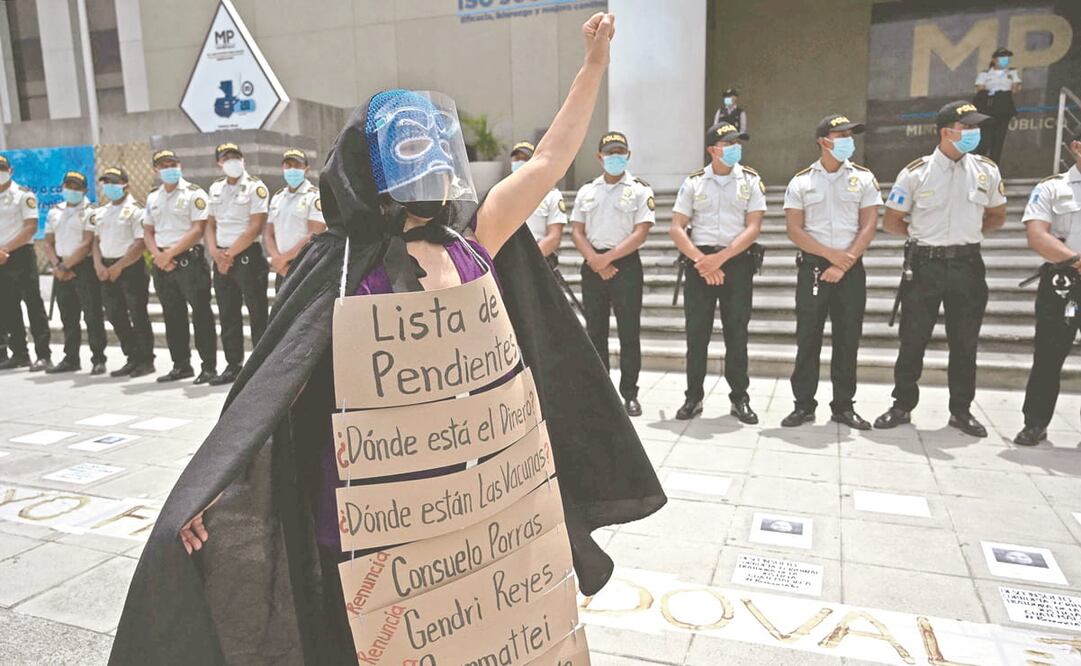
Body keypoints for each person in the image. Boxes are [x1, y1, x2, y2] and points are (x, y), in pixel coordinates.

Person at [111, 13, 665, 666]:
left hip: (465, 499)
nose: (429, 165)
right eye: (409, 149)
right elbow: (278, 386)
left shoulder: (474, 242)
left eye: (433, 147)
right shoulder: (340, 265)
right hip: (369, 513)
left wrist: (594, 66)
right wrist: (218, 484)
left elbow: (547, 160)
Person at [874, 101, 1007, 437]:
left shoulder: (986, 171)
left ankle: (961, 411)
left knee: (965, 343)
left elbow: (996, 216)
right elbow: (891, 221)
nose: (975, 133)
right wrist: (926, 238)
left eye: (976, 127)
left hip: (967, 266)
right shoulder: (915, 173)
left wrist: (964, 237)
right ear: (947, 132)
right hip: (925, 266)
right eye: (968, 127)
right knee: (913, 339)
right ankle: (902, 405)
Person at [781, 115, 880, 429]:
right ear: (823, 141)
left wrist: (844, 262)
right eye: (842, 135)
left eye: (851, 135)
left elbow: (869, 225)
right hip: (814, 269)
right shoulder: (801, 182)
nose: (848, 140)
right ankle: (803, 405)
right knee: (808, 339)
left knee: (848, 339)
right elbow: (795, 230)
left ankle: (843, 406)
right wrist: (831, 258)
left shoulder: (864, 178)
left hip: (850, 269)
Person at [670, 122, 765, 423]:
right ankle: (693, 398)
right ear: (712, 149)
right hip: (699, 263)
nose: (736, 147)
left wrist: (720, 259)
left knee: (737, 334)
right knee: (697, 335)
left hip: (736, 262)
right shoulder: (694, 183)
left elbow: (753, 227)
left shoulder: (750, 180)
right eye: (729, 143)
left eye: (738, 142)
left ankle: (740, 398)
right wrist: (703, 261)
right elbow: (676, 227)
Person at [570, 130, 655, 416]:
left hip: (625, 266)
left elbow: (641, 232)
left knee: (629, 333)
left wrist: (606, 259)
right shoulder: (587, 191)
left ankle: (629, 393)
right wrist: (595, 260)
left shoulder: (640, 189)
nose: (615, 157)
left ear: (628, 155)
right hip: (593, 264)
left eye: (620, 152)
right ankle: (601, 394)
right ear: (599, 157)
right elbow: (577, 231)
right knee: (595, 332)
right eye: (610, 153)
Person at [1014, 131, 1081, 446]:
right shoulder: (1053, 188)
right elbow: (1037, 235)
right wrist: (1075, 260)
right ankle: (1035, 423)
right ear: (1077, 147)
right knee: (1048, 356)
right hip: (1063, 281)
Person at [143, 149, 218, 384]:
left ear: (180, 166)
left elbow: (198, 229)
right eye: (163, 165)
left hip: (189, 262)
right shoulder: (153, 197)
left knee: (201, 315)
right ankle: (181, 365)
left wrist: (169, 254)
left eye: (172, 164)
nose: (169, 169)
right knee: (172, 316)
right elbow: (148, 230)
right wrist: (158, 255)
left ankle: (208, 367)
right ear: (156, 170)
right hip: (163, 264)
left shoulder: (194, 193)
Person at [206, 143, 270, 386]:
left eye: (235, 156)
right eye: (226, 158)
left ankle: (261, 367)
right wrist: (215, 253)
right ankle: (233, 365)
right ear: (219, 163)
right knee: (228, 314)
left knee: (257, 313)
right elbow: (210, 224)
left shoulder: (255, 187)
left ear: (243, 160)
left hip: (247, 258)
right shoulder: (215, 188)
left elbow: (256, 226)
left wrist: (229, 254)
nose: (232, 161)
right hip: (221, 258)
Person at [42, 171, 108, 374]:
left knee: (92, 314)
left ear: (85, 190)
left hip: (83, 267)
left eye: (76, 187)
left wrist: (66, 267)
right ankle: (71, 358)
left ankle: (98, 359)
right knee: (68, 316)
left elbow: (87, 242)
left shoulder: (91, 211)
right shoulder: (55, 211)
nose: (72, 190)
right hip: (60, 266)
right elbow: (48, 243)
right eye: (68, 186)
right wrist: (57, 266)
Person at [92, 167, 154, 378]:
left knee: (138, 315)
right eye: (106, 183)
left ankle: (146, 360)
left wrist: (119, 267)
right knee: (114, 314)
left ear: (125, 185)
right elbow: (95, 241)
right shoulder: (101, 212)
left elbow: (139, 243)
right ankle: (132, 356)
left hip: (130, 268)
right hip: (107, 268)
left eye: (114, 182)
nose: (109, 187)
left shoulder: (136, 210)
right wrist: (99, 265)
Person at [0, 155, 52, 371]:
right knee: (7, 306)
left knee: (33, 304)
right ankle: (20, 353)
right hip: (0, 258)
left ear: (10, 171)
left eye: (2, 168)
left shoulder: (23, 195)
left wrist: (5, 249)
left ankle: (44, 355)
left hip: (20, 255)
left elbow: (30, 227)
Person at [265, 148, 325, 291]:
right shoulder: (278, 197)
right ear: (283, 168)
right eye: (288, 165)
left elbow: (314, 234)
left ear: (306, 169)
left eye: (297, 165)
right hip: (281, 267)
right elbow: (269, 234)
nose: (292, 169)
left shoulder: (314, 196)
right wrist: (277, 259)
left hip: (305, 266)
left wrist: (284, 259)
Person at [511, 140, 567, 265]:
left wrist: (527, 262)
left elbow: (554, 237)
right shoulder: (503, 194)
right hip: (510, 260)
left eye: (525, 159)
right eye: (517, 159)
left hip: (539, 260)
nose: (520, 162)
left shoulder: (550, 195)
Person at [974, 47, 1020, 165]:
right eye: (1002, 57)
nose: (1005, 60)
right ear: (995, 60)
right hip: (989, 107)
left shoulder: (1012, 73)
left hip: (1004, 107)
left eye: (1007, 58)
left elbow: (1015, 89)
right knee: (985, 139)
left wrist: (1012, 81)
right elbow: (980, 89)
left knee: (998, 140)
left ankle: (993, 167)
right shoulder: (985, 74)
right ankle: (978, 164)